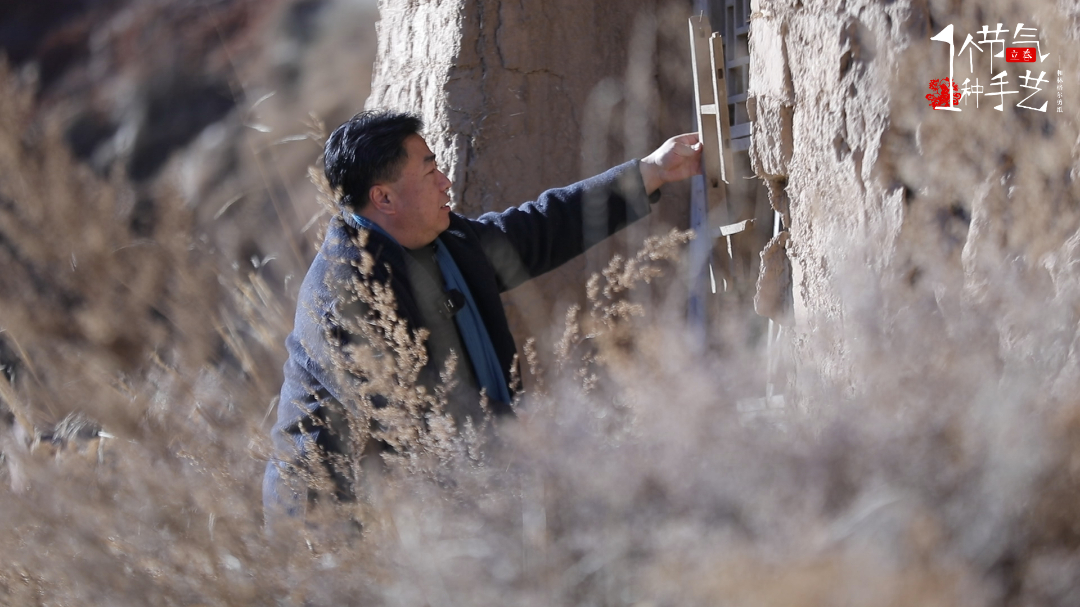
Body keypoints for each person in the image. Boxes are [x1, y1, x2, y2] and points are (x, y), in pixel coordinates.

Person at [264, 109, 701, 516]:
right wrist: (536, 437)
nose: (445, 182)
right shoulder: (345, 295)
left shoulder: (444, 242)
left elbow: (540, 228)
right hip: (337, 521)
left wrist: (652, 172)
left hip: (437, 498)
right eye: (430, 172)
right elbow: (418, 413)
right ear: (384, 198)